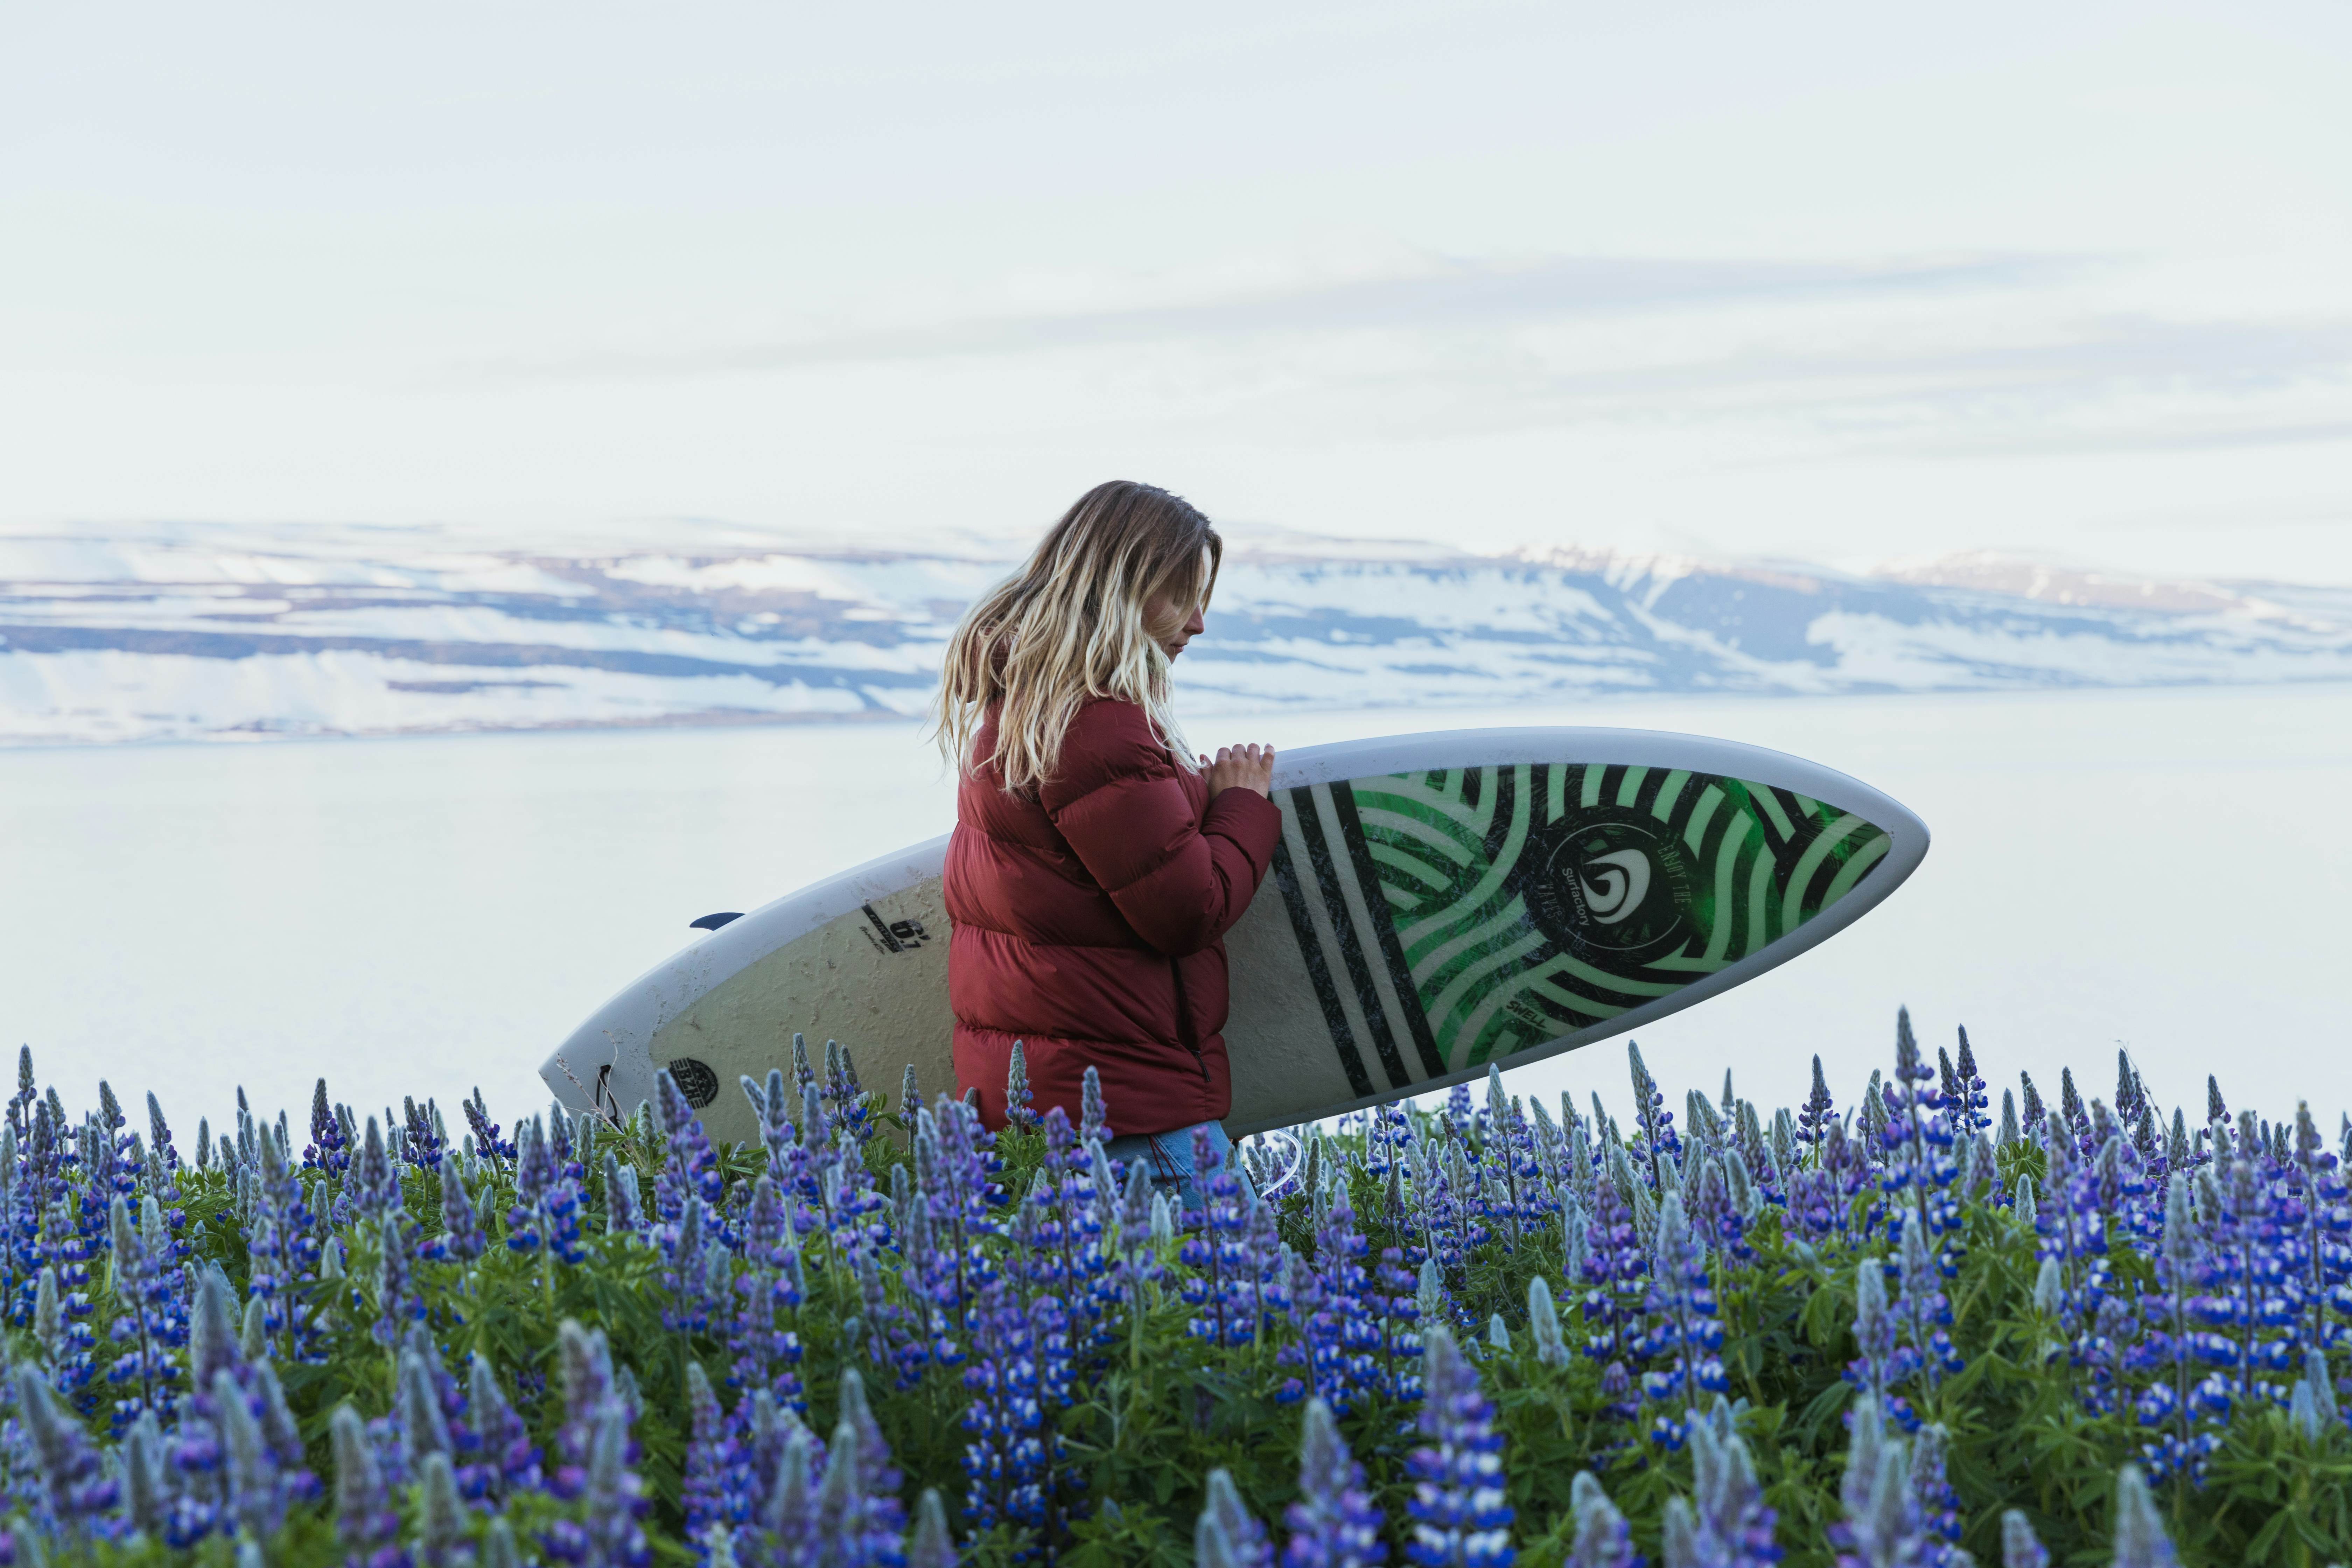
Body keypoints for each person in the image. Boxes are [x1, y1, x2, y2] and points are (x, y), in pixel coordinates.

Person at [932, 480, 1279, 1211]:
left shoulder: (1023, 711)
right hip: (1133, 1119)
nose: (1199, 622)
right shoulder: (1096, 725)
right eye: (1182, 594)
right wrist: (1242, 806)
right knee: (1243, 1317)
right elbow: (1187, 909)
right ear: (1125, 587)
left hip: (1053, 1113)